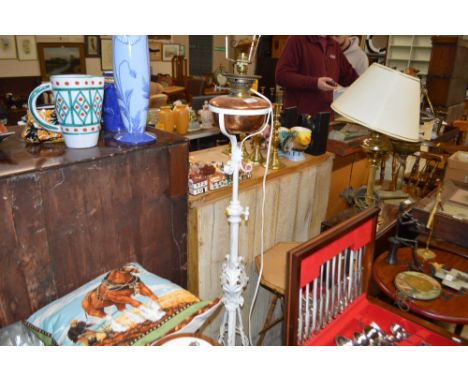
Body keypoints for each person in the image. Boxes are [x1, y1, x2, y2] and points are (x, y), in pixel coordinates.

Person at [275, 36, 358, 117]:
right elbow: (281, 76)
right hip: (299, 120)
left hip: (326, 120)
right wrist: (315, 83)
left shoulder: (334, 45)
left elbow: (350, 78)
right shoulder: (296, 40)